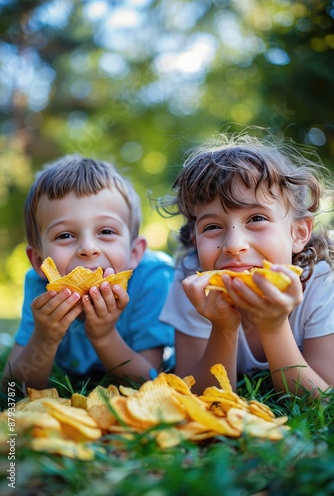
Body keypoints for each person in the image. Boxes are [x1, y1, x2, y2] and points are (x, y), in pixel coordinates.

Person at [158, 129, 334, 396]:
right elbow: (194, 393)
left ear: (298, 233)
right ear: (195, 240)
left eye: (256, 219)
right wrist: (223, 327)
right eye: (213, 226)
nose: (233, 245)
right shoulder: (191, 283)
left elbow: (323, 400)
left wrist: (273, 326)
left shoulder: (322, 283)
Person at [2, 155, 174, 391]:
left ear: (135, 252)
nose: (88, 249)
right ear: (40, 262)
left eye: (105, 231)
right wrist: (44, 337)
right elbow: (11, 391)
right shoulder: (40, 289)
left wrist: (104, 336)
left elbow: (149, 382)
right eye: (65, 235)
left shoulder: (153, 280)